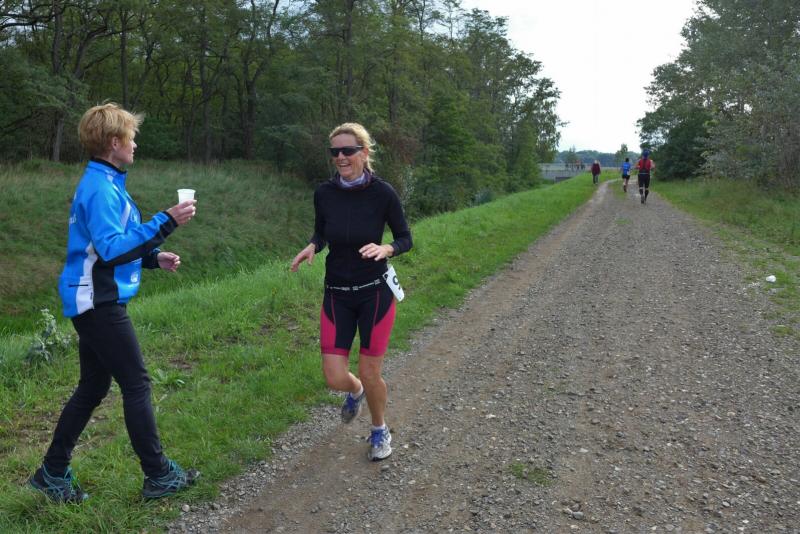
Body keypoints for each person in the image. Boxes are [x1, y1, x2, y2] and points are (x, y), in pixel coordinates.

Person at [28, 103, 199, 503]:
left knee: (93, 386)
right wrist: (166, 221)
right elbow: (110, 249)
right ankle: (158, 475)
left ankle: (52, 472)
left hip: (93, 298)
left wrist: (152, 258)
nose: (135, 145)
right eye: (131, 138)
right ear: (114, 142)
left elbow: (109, 244)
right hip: (98, 302)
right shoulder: (101, 188)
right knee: (136, 384)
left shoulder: (106, 182)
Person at [291, 122, 412, 461]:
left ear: (364, 152)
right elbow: (321, 232)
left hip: (374, 292)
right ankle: (355, 390)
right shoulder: (324, 192)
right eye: (335, 152)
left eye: (348, 150)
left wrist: (387, 249)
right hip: (337, 294)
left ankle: (379, 429)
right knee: (334, 377)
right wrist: (313, 246)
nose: (340, 157)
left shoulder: (383, 193)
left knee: (371, 371)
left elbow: (405, 237)